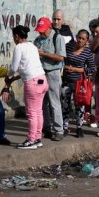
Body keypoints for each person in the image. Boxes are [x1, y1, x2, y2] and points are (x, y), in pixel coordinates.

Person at [7, 24, 48, 148]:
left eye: (14, 37)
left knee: (31, 113)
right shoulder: (32, 46)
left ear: (17, 36)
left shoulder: (19, 47)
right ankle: (37, 138)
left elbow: (14, 67)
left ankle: (31, 140)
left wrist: (8, 76)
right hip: (42, 79)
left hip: (33, 82)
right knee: (38, 111)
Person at [35, 12, 66, 141]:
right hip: (41, 73)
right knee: (43, 103)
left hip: (53, 72)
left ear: (49, 28)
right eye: (39, 31)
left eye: (43, 31)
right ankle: (46, 128)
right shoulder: (37, 40)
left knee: (54, 102)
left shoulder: (57, 38)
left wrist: (43, 54)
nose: (41, 33)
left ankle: (59, 130)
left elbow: (60, 57)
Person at [61, 29, 96, 136]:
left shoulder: (87, 52)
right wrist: (64, 67)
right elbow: (61, 59)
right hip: (66, 80)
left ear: (86, 41)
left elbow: (92, 69)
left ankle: (79, 128)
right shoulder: (68, 47)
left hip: (79, 83)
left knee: (79, 105)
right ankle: (65, 127)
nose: (80, 40)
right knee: (65, 104)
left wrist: (76, 69)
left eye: (83, 39)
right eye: (79, 37)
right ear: (76, 37)